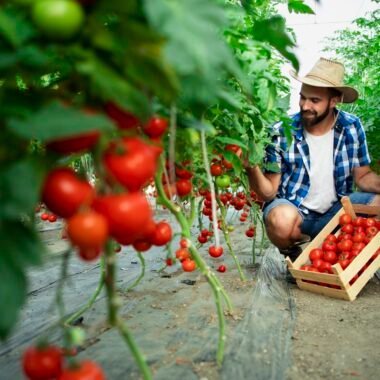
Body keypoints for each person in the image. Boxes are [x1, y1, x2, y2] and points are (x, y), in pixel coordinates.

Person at [245, 57, 380, 261]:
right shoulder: (281, 131)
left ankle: (351, 254)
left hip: (337, 211)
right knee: (281, 220)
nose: (305, 105)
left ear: (334, 101)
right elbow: (268, 192)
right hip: (297, 213)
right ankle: (293, 255)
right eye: (303, 97)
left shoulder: (351, 127)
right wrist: (251, 167)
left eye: (314, 100)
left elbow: (363, 177)